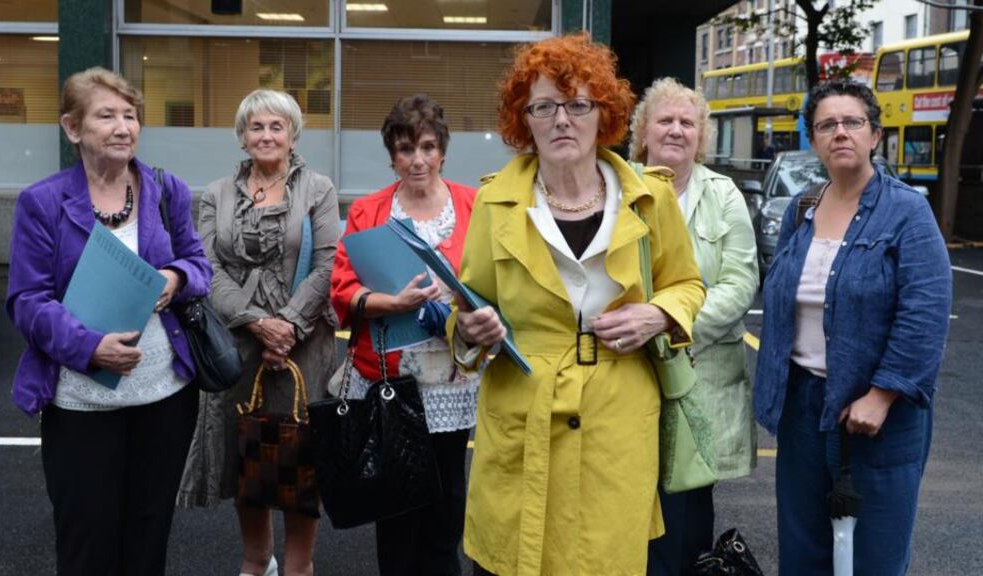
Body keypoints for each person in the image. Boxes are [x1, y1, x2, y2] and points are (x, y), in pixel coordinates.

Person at [452, 34, 706, 576]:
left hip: (618, 416)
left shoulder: (650, 196)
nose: (561, 119)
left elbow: (686, 284)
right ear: (525, 120)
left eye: (578, 104)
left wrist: (658, 314)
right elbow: (467, 306)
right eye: (544, 106)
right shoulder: (494, 203)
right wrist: (471, 329)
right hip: (524, 410)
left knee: (606, 559)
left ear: (604, 113)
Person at [6, 67, 211, 575]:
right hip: (81, 403)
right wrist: (90, 347)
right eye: (107, 116)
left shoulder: (167, 190)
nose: (124, 127)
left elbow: (200, 265)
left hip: (164, 398)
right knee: (86, 546)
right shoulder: (43, 202)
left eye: (131, 115)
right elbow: (27, 300)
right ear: (73, 129)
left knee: (148, 541)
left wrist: (175, 278)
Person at [755, 80, 952, 575]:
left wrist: (882, 395)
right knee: (804, 553)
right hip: (802, 408)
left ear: (874, 135)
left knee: (873, 557)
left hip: (876, 416)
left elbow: (925, 312)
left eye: (852, 122)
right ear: (814, 139)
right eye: (826, 125)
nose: (839, 132)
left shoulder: (907, 210)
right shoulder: (802, 209)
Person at [176, 89, 340, 576]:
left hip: (303, 345)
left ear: (293, 134)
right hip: (235, 343)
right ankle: (254, 562)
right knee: (246, 456)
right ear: (242, 137)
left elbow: (329, 264)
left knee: (298, 458)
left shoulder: (319, 189)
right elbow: (206, 267)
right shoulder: (216, 194)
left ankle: (298, 566)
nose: (266, 135)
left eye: (276, 126)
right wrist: (255, 321)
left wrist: (286, 325)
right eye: (256, 127)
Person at [329, 94, 480, 576]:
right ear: (392, 155)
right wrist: (390, 304)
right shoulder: (369, 211)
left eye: (428, 147)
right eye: (405, 149)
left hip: (451, 379)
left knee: (446, 506)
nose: (417, 160)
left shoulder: (474, 205)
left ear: (443, 152)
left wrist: (459, 298)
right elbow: (341, 288)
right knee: (394, 511)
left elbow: (494, 282)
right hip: (388, 380)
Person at [628, 77, 759, 574]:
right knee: (626, 501)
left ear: (701, 136)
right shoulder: (616, 187)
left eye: (688, 122)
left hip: (698, 379)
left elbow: (740, 282)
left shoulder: (723, 195)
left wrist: (664, 327)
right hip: (627, 372)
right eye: (665, 120)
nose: (676, 130)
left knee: (684, 514)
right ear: (643, 131)